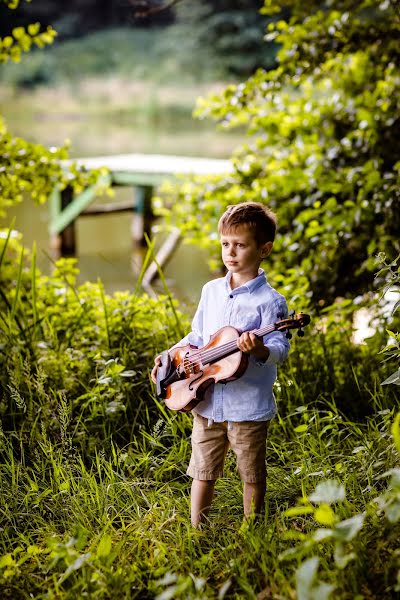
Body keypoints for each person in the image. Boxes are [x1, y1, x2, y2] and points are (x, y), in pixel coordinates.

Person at [151, 202, 290, 527]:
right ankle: (197, 530)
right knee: (202, 469)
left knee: (251, 473)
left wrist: (258, 350)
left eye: (240, 245)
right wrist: (171, 354)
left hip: (247, 405)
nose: (231, 251)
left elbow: (280, 348)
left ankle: (251, 531)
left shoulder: (271, 302)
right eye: (226, 243)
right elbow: (198, 335)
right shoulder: (211, 290)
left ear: (264, 249)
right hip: (208, 402)